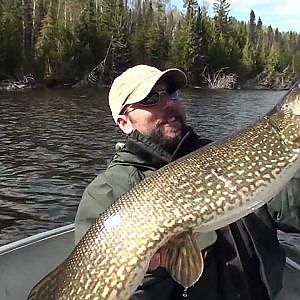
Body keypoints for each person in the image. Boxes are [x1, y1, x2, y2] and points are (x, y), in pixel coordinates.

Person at [75, 64, 300, 300]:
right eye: (151, 99)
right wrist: (151, 272)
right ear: (124, 122)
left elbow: (292, 213)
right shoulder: (108, 192)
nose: (169, 103)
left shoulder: (228, 157)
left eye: (171, 93)